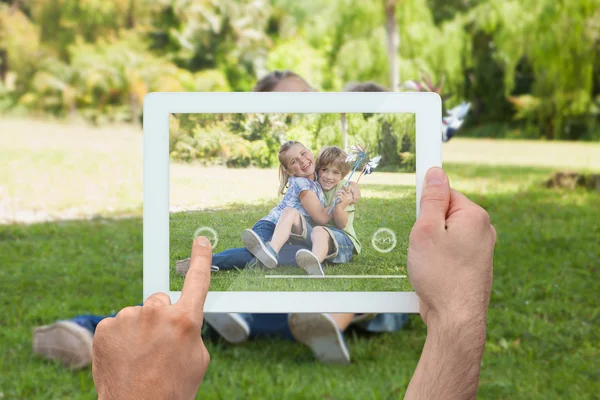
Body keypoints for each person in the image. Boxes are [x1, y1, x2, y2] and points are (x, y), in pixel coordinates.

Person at [92, 167, 497, 399]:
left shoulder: (331, 195)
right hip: (295, 257)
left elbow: (332, 221)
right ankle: (224, 284)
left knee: (370, 298)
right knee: (255, 259)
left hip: (327, 252)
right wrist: (456, 317)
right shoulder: (301, 189)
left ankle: (321, 315)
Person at [243, 145, 359, 276]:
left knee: (319, 230)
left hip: (342, 241)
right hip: (315, 237)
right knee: (291, 212)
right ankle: (272, 249)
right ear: (318, 169)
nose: (328, 176)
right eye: (324, 170)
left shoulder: (344, 190)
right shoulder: (314, 181)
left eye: (335, 173)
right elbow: (320, 217)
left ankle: (314, 262)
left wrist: (340, 203)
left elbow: (342, 224)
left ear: (343, 175)